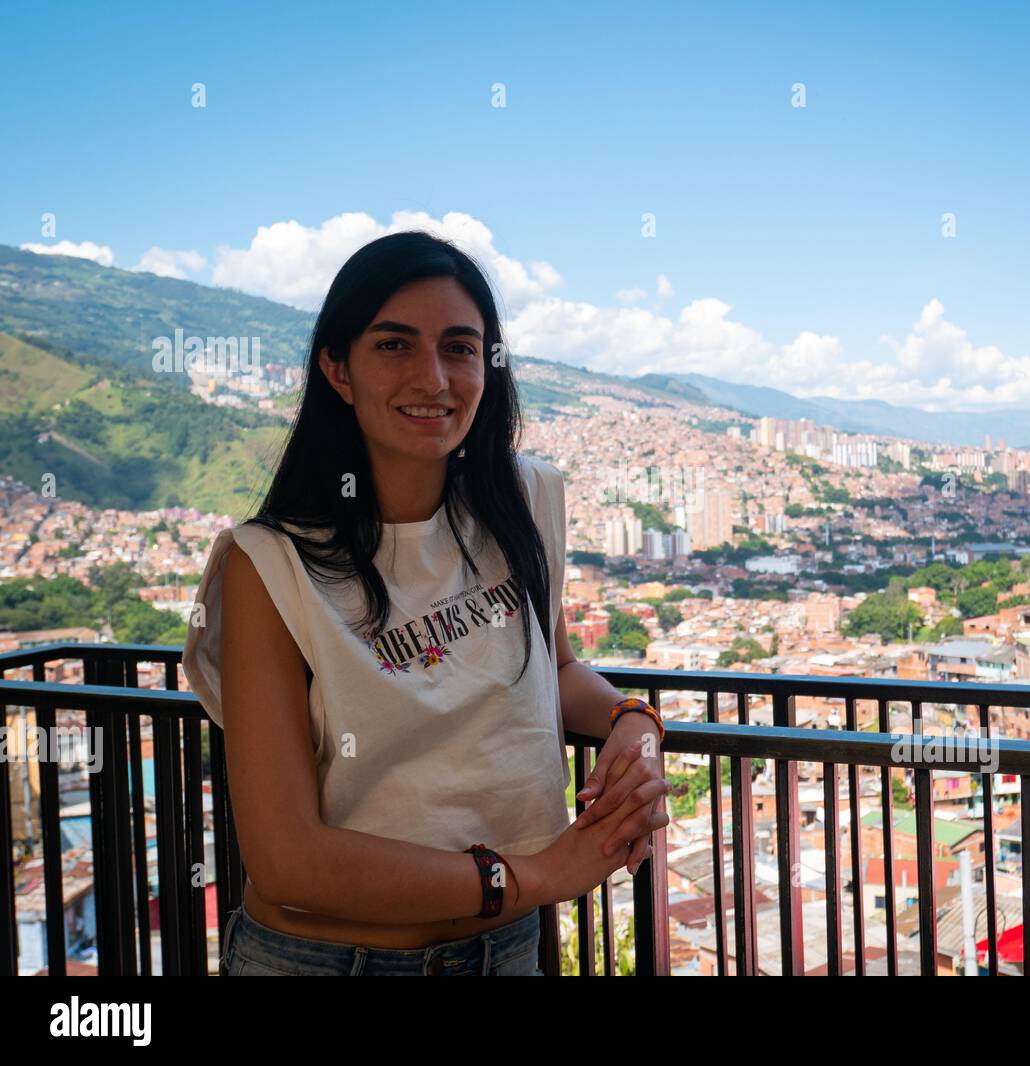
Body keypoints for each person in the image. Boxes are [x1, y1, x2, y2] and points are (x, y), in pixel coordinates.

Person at [182, 231, 669, 976]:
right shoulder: (269, 566)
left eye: (460, 347)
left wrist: (631, 723)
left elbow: (557, 668)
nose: (434, 378)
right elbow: (287, 859)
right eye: (394, 346)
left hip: (500, 951)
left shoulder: (524, 503)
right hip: (324, 961)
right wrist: (537, 876)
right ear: (337, 369)